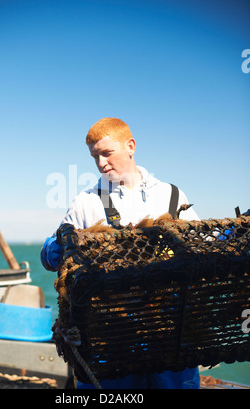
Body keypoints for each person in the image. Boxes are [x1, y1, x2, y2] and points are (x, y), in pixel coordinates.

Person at [41, 117, 200, 389]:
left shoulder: (172, 195)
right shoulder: (86, 202)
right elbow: (49, 259)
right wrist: (56, 246)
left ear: (130, 146)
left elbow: (199, 249)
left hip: (169, 333)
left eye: (107, 153)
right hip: (108, 336)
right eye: (95, 157)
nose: (101, 163)